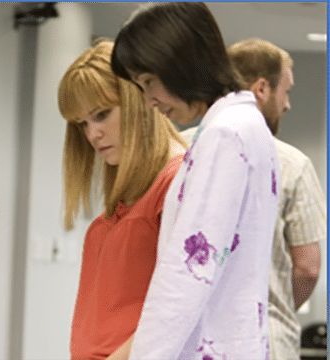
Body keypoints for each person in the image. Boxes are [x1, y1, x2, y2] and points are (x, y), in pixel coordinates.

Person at [111, 3, 280, 359]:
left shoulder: (225, 134)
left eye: (148, 82)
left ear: (179, 61)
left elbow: (187, 272)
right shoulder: (245, 126)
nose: (149, 100)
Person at [182, 38, 326, 360]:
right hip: (264, 340)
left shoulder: (178, 151)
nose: (287, 105)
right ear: (262, 88)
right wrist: (277, 306)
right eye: (285, 92)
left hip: (189, 337)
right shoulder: (293, 165)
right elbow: (308, 269)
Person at [58, 41, 187, 360]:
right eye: (83, 124)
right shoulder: (131, 193)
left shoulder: (178, 182)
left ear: (140, 101)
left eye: (101, 115)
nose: (92, 134)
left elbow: (179, 307)